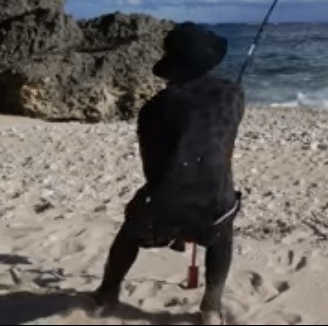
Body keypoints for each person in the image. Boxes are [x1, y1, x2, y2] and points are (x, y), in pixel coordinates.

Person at [92, 22, 246, 325]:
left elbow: (153, 168)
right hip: (215, 205)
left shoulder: (153, 109)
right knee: (222, 230)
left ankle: (108, 291)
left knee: (130, 228)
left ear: (173, 68)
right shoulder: (234, 94)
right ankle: (211, 308)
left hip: (165, 208)